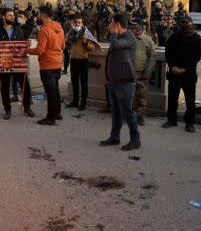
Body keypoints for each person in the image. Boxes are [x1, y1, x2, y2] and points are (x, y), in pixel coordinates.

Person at [100, 13, 140, 150]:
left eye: (111, 23)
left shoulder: (129, 37)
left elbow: (116, 45)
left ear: (116, 24)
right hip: (114, 80)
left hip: (126, 81)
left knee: (128, 112)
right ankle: (114, 136)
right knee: (115, 112)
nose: (109, 25)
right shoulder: (117, 37)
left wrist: (113, 33)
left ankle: (135, 140)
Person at [162, 15, 201, 132]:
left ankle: (189, 122)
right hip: (174, 72)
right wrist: (172, 66)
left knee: (190, 100)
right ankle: (171, 120)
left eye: (187, 25)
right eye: (182, 25)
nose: (185, 27)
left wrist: (185, 69)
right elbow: (168, 53)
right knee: (172, 98)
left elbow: (196, 57)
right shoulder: (174, 37)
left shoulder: (196, 38)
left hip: (188, 74)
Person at [26, 5, 65, 126]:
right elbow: (63, 46)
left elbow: (40, 50)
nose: (38, 16)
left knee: (50, 92)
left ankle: (50, 118)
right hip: (58, 63)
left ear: (43, 15)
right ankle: (57, 113)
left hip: (47, 65)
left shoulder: (44, 30)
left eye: (39, 14)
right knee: (55, 90)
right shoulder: (59, 28)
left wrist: (26, 51)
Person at [0, 9, 34, 120]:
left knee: (25, 85)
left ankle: (27, 107)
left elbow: (22, 45)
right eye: (9, 15)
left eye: (13, 15)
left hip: (18, 63)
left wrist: (27, 44)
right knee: (5, 87)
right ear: (3, 17)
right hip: (3, 63)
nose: (12, 17)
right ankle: (7, 109)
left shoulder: (19, 30)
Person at [65, 15, 96, 111]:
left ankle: (83, 103)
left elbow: (93, 48)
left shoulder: (86, 33)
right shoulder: (71, 33)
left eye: (79, 22)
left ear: (82, 24)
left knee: (84, 83)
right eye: (76, 22)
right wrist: (67, 42)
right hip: (73, 59)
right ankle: (75, 101)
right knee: (74, 82)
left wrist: (85, 42)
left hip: (83, 60)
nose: (77, 24)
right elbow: (66, 44)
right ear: (73, 23)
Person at [130, 18, 155, 126]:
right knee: (128, 95)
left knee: (141, 96)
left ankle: (140, 116)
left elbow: (152, 56)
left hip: (141, 73)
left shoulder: (147, 40)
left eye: (135, 27)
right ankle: (129, 116)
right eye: (132, 27)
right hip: (128, 73)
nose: (133, 28)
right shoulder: (128, 38)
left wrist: (148, 71)